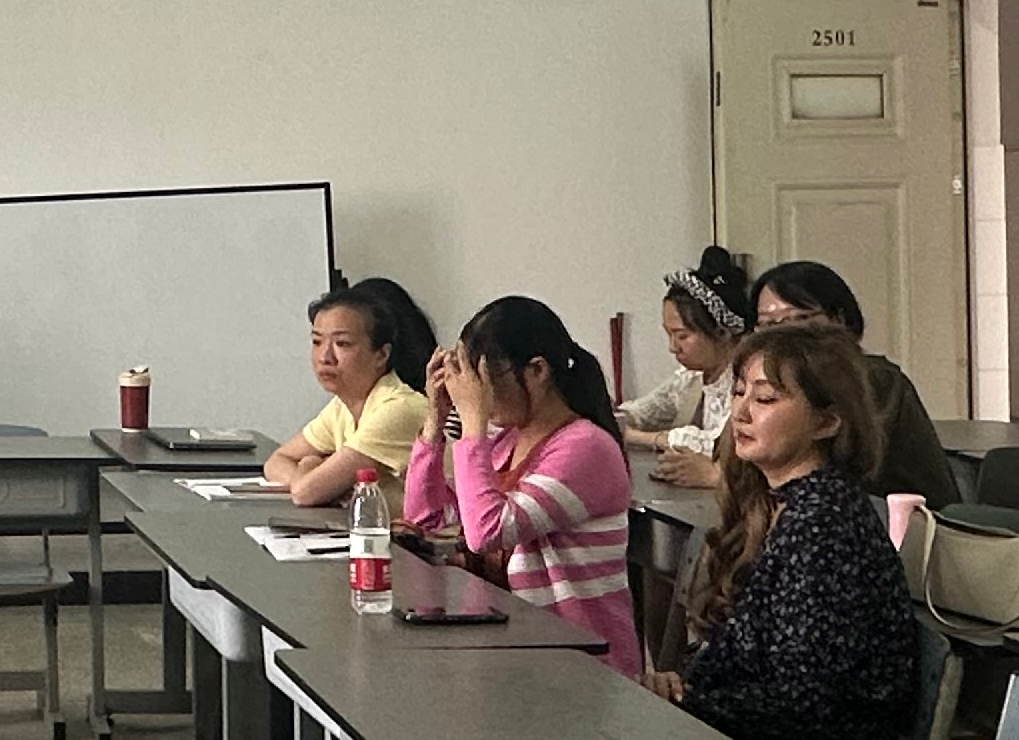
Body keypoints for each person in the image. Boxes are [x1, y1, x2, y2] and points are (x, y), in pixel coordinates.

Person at [643, 323, 921, 740]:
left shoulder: (823, 525)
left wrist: (687, 703)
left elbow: (803, 702)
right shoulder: (773, 502)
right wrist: (679, 690)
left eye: (766, 399)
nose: (741, 413)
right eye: (738, 393)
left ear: (826, 422)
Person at [405, 295, 642, 673]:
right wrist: (435, 420)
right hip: (520, 649)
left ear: (537, 371)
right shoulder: (505, 443)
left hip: (584, 663)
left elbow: (487, 532)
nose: (479, 396)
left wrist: (473, 425)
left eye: (486, 381)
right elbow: (427, 520)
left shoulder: (586, 447)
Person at [751, 261, 959, 507]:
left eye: (798, 318)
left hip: (897, 519)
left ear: (839, 318)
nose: (780, 335)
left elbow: (831, 466)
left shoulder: (875, 379)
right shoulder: (766, 381)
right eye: (767, 325)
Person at [260, 278, 437, 507]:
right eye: (317, 342)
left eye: (342, 344)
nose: (325, 357)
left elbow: (306, 493)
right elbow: (277, 461)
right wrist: (308, 475)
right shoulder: (342, 405)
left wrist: (309, 464)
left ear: (382, 355)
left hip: (413, 532)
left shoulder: (399, 407)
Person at [621, 247, 756, 488]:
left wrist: (642, 437)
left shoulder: (748, 382)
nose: (673, 347)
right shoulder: (690, 379)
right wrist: (618, 418)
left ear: (722, 332)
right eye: (669, 335)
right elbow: (646, 411)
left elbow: (719, 443)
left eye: (682, 336)